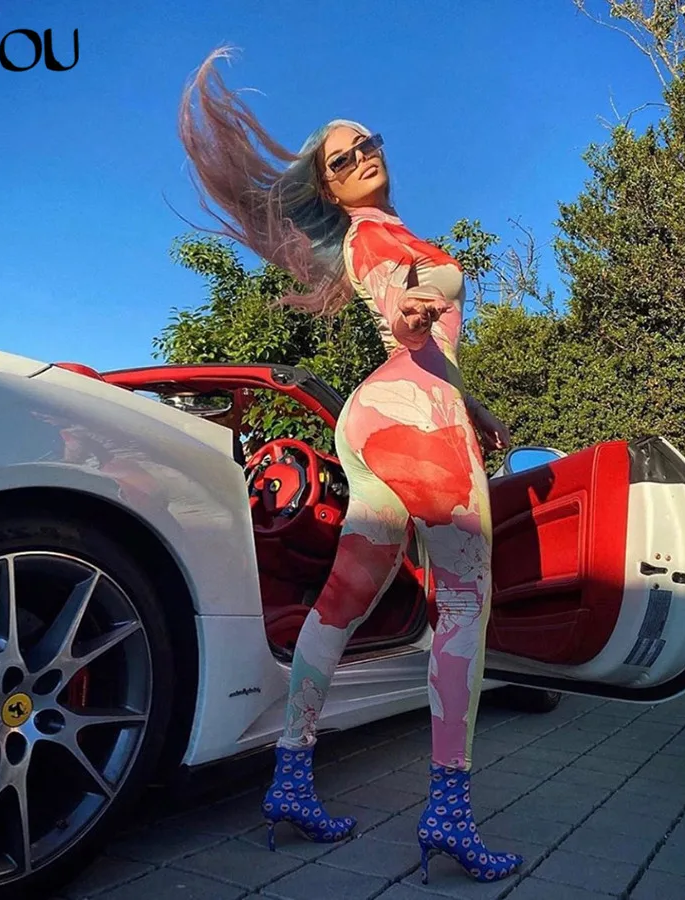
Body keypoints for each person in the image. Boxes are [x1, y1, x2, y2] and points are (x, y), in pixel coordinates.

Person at [179, 48, 521, 884]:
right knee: (465, 603)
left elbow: (424, 338)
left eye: (367, 143)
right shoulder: (375, 239)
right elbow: (399, 303)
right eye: (342, 159)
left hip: (373, 418)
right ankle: (449, 811)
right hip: (412, 413)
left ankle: (291, 777)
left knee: (340, 602)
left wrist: (473, 405)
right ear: (329, 190)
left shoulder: (384, 231)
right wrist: (412, 314)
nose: (362, 156)